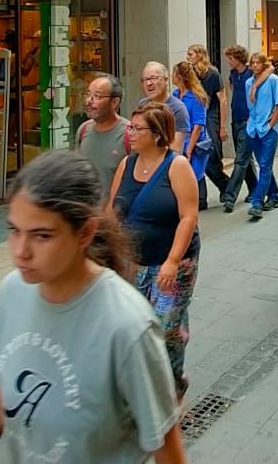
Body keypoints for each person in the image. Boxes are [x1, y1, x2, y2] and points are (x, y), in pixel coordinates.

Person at [0, 151, 186, 464]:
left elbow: (167, 449)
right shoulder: (11, 292)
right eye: (14, 230)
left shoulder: (128, 327)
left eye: (42, 236)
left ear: (85, 233)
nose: (21, 251)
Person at [108, 103, 201, 400]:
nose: (130, 133)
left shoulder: (177, 166)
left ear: (158, 134)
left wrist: (172, 261)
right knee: (141, 327)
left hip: (172, 264)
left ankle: (173, 389)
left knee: (162, 329)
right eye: (130, 127)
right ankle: (150, 387)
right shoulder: (126, 164)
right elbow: (113, 212)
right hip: (133, 264)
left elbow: (189, 216)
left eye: (138, 128)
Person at [220, 45, 264, 213]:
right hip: (236, 118)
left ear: (238, 58)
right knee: (246, 158)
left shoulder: (251, 73)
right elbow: (233, 90)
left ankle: (230, 197)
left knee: (240, 160)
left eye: (231, 58)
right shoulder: (232, 74)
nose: (228, 61)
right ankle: (254, 189)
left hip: (248, 120)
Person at [245, 52, 278, 220]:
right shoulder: (249, 83)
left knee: (264, 165)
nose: (255, 65)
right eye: (252, 63)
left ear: (263, 64)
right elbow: (250, 106)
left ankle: (256, 202)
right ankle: (274, 195)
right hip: (253, 128)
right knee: (264, 165)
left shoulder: (273, 80)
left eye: (257, 63)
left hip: (268, 129)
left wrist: (271, 124)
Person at [170, 61, 215, 210]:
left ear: (180, 77)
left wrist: (189, 149)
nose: (171, 76)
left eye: (174, 73)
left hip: (195, 141)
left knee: (196, 172)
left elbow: (198, 126)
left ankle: (200, 201)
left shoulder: (196, 97)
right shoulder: (175, 95)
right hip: (180, 139)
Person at [187, 45, 229, 198]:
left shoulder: (213, 73)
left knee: (211, 155)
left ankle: (225, 185)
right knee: (199, 156)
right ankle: (203, 196)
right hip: (195, 115)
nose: (187, 57)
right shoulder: (190, 73)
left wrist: (222, 126)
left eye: (190, 54)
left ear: (200, 55)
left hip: (211, 115)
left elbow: (222, 99)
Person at [77, 74, 129, 185]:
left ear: (114, 102)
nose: (89, 101)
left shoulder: (129, 134)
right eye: (88, 94)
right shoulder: (83, 130)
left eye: (97, 96)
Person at [138, 63, 190, 156]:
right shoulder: (143, 105)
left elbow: (175, 151)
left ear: (166, 80)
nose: (148, 83)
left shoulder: (178, 108)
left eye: (153, 78)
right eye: (145, 79)